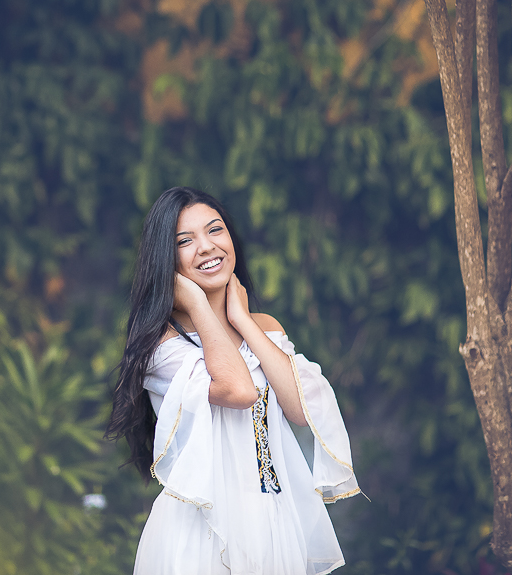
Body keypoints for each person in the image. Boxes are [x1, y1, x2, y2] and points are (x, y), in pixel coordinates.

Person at [107, 186, 360, 575]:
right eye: (184, 241)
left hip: (274, 523)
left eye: (215, 230)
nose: (207, 247)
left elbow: (299, 408)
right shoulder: (161, 346)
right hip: (203, 533)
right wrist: (194, 302)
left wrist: (242, 319)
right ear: (165, 260)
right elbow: (238, 390)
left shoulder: (265, 329)